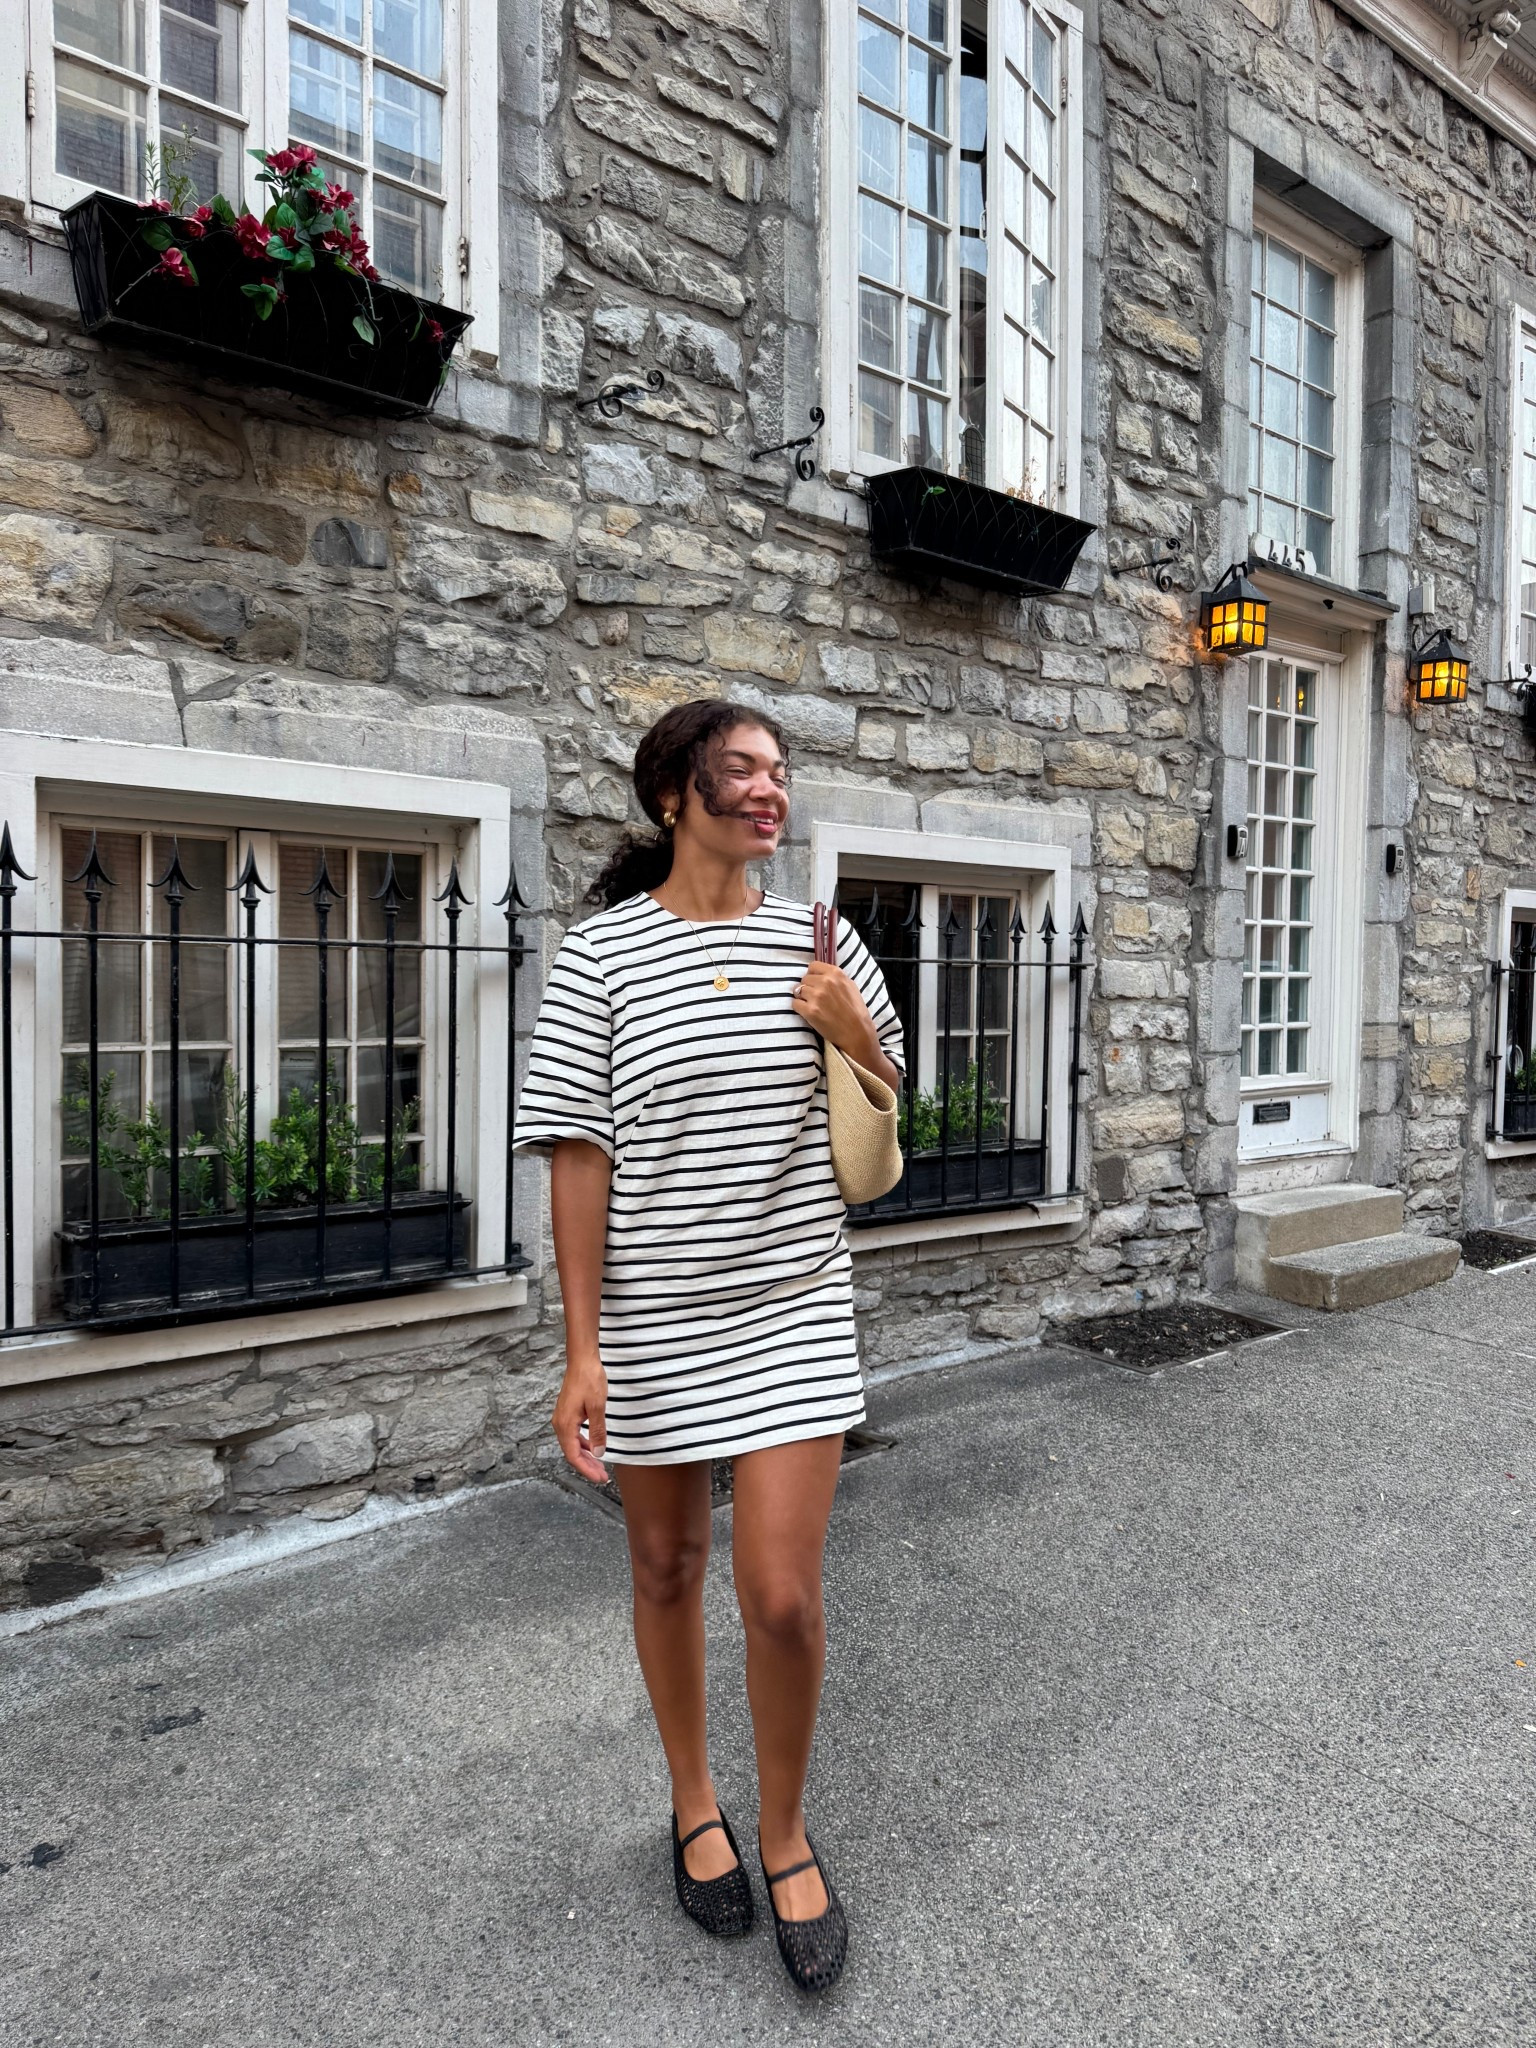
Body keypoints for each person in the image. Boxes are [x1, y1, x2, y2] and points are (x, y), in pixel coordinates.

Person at [512, 699, 904, 1993]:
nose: (767, 789)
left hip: (794, 1303)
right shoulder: (605, 957)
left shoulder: (823, 937)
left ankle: (784, 1829)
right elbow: (579, 1156)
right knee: (670, 1567)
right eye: (739, 768)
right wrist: (582, 1351)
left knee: (784, 1598)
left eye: (780, 771)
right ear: (675, 794)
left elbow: (892, 1107)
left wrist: (845, 1022)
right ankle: (694, 1800)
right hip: (657, 1317)